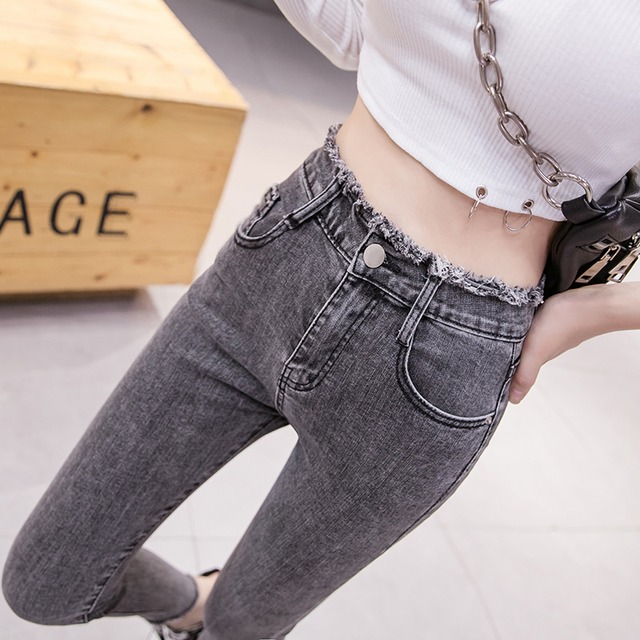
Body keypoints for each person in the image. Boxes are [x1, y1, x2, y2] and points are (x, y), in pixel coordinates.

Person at [3, 1, 640, 639]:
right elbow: (354, 32)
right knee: (45, 582)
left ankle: (211, 614)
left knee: (237, 628)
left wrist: (591, 311)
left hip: (449, 353)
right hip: (289, 249)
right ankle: (190, 602)